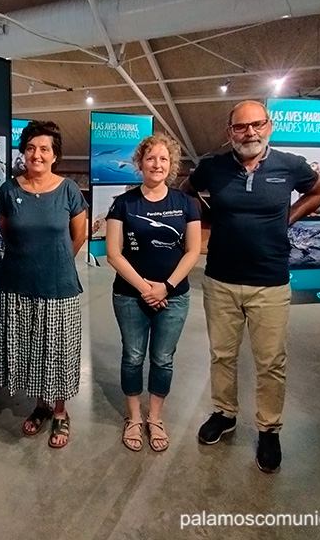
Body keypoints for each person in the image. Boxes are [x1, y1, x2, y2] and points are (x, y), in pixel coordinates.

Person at [183, 100, 320, 473]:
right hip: (220, 281)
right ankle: (224, 413)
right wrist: (202, 223)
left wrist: (288, 219)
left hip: (270, 283)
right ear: (228, 131)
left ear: (269, 126)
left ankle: (268, 429)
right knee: (222, 355)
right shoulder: (213, 168)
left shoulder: (290, 165)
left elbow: (319, 191)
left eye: (256, 125)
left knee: (270, 362)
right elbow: (186, 192)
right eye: (240, 127)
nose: (249, 133)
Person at [0, 120, 88, 449]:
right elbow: (7, 233)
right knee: (32, 350)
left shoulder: (68, 190)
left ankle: (61, 411)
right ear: (24, 152)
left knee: (58, 351)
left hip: (59, 286)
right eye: (31, 148)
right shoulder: (9, 190)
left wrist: (58, 260)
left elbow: (79, 235)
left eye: (44, 149)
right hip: (18, 283)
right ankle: (40, 406)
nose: (37, 154)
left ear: (54, 155)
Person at [106, 133, 201, 452]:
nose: (157, 164)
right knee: (133, 356)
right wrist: (146, 287)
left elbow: (192, 251)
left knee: (163, 358)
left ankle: (155, 418)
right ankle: (133, 417)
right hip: (130, 296)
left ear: (171, 164)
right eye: (150, 158)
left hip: (174, 296)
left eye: (163, 158)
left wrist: (167, 286)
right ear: (140, 163)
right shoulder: (124, 203)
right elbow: (114, 253)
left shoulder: (186, 203)